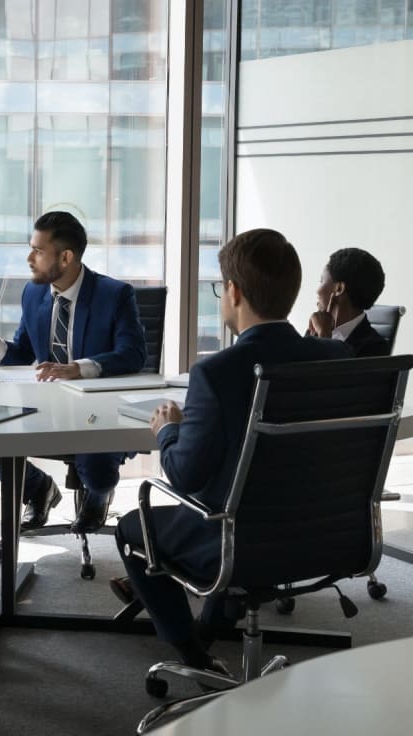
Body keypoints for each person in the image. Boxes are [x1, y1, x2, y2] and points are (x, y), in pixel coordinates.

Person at [113, 229, 350, 671]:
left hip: (239, 541)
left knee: (133, 528)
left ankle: (194, 656)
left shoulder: (216, 373)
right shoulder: (337, 358)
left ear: (234, 292)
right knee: (234, 503)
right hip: (327, 534)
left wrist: (167, 430)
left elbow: (185, 476)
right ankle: (213, 626)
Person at [0, 211, 148, 533]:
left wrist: (78, 369)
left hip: (96, 413)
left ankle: (98, 492)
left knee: (96, 469)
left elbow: (132, 354)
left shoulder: (115, 295)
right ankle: (38, 488)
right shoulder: (34, 293)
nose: (29, 258)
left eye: (38, 250)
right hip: (45, 407)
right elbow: (24, 354)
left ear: (65, 257)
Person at [305, 247, 390, 357]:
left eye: (322, 281)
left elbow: (321, 374)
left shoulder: (375, 348)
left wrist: (324, 337)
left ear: (339, 289)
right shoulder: (316, 329)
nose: (317, 290)